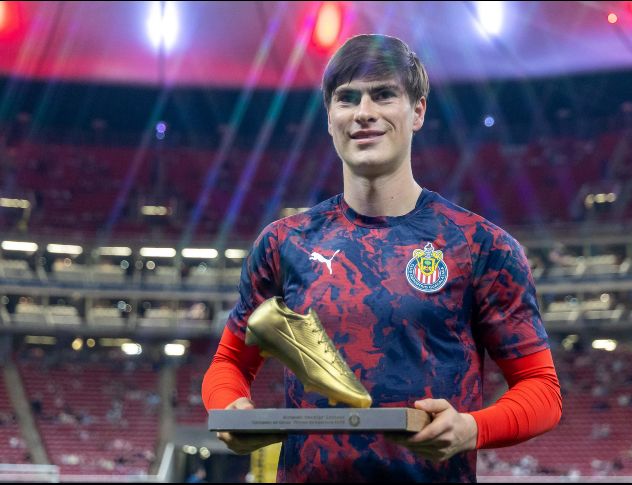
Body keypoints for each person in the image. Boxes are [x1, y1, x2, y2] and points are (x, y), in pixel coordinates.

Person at [202, 33, 562, 482]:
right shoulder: (283, 242)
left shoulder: (481, 245)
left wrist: (472, 427)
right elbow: (229, 364)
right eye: (347, 98)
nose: (364, 113)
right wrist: (230, 408)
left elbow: (542, 391)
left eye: (384, 94)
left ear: (418, 111)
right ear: (330, 118)